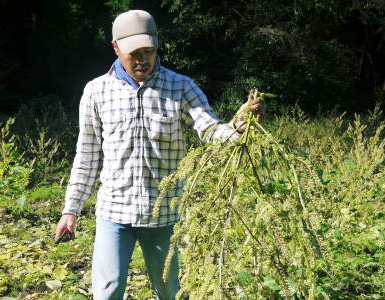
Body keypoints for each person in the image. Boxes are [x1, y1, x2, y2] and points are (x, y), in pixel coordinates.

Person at [55, 9, 261, 300]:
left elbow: (210, 130)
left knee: (170, 290)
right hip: (114, 212)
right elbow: (87, 156)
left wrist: (237, 128)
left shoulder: (181, 86)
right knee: (107, 291)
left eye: (148, 51)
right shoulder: (96, 92)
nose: (142, 59)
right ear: (116, 48)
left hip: (163, 214)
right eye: (134, 52)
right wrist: (71, 210)